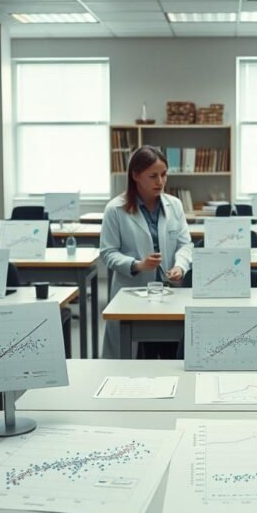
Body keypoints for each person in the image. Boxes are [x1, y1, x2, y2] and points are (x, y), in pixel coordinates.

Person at [100, 145, 193, 359]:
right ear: (135, 176)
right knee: (136, 361)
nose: (160, 182)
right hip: (133, 293)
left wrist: (180, 265)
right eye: (153, 176)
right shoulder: (115, 209)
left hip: (171, 293)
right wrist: (137, 264)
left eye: (163, 175)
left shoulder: (174, 205)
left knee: (173, 358)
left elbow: (185, 245)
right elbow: (108, 252)